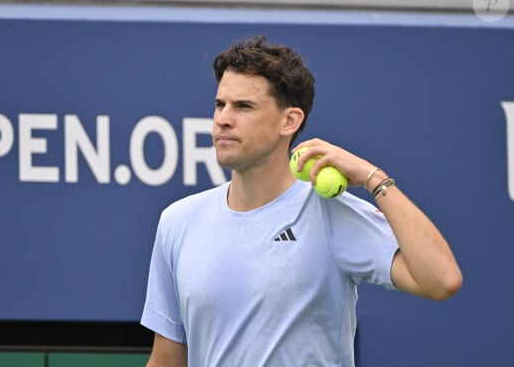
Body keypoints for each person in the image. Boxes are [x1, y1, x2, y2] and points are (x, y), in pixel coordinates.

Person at [140, 35, 462, 367]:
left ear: (289, 120)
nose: (223, 118)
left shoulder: (330, 213)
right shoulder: (177, 221)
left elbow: (441, 279)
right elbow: (167, 358)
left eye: (243, 106)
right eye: (220, 104)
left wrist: (372, 177)